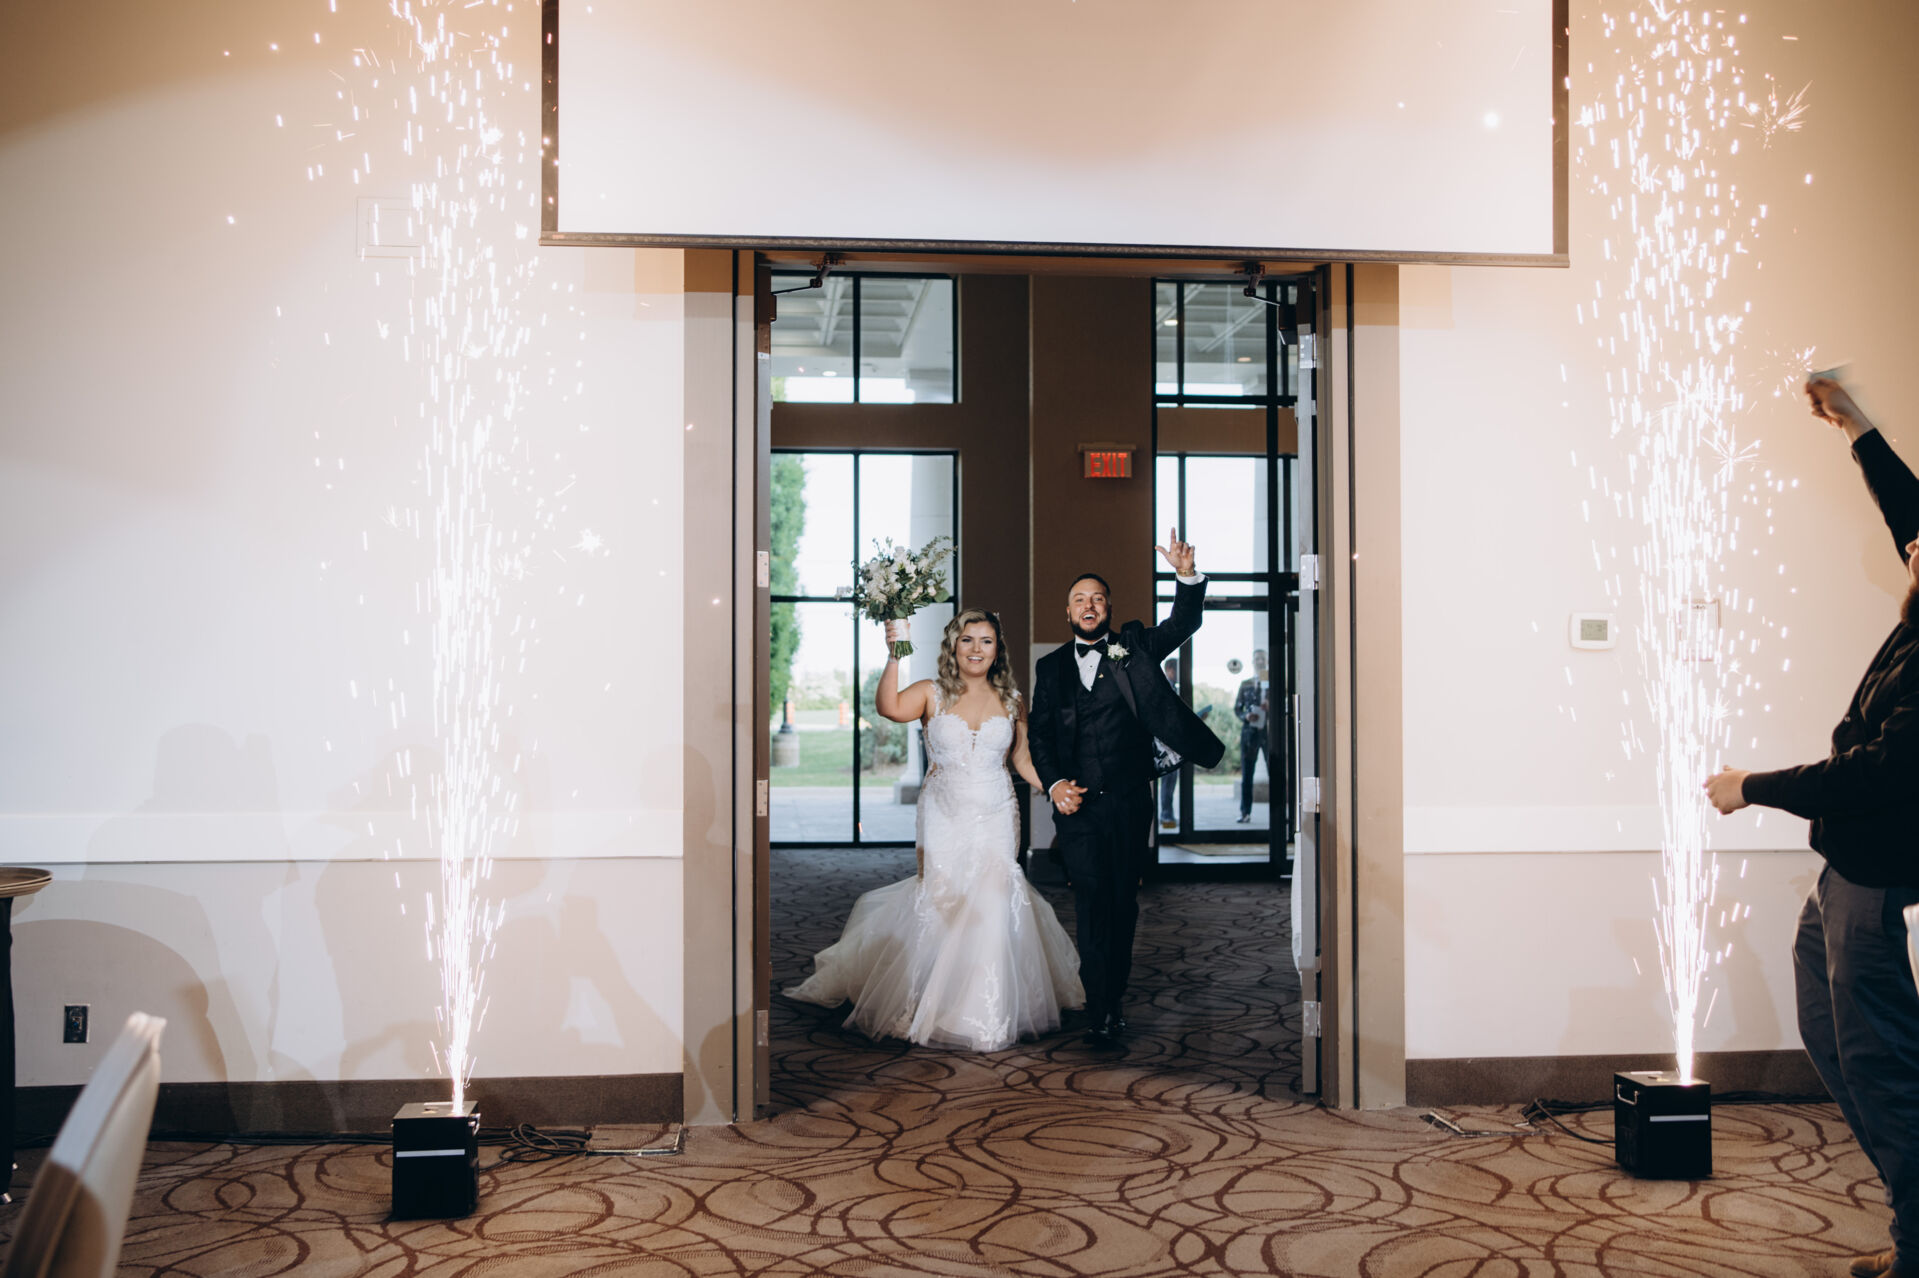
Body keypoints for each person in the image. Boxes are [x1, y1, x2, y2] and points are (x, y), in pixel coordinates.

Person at [1704, 374, 1919, 1278]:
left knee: (1881, 1065)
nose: (1913, 544)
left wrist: (1750, 785)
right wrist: (1856, 427)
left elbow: (1878, 774)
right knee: (1835, 1039)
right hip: (1844, 871)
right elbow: (1905, 508)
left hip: (1875, 877)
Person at [784, 609, 1084, 1051]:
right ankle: (933, 1000)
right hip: (944, 812)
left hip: (997, 812)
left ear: (997, 650)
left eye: (986, 641)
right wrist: (894, 655)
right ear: (953, 646)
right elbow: (888, 707)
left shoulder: (1013, 699)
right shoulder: (931, 692)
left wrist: (1054, 787)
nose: (976, 649)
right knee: (945, 899)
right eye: (967, 640)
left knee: (994, 899)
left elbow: (1021, 759)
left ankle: (984, 1009)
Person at [1030, 531, 1226, 1047]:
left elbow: (1184, 623)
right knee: (1091, 901)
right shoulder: (1050, 668)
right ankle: (1100, 1007)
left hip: (1129, 802)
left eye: (1097, 598)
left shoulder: (1133, 647)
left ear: (1108, 608)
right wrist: (1054, 784)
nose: (1088, 605)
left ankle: (1113, 996)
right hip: (1077, 809)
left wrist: (1186, 576)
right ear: (1068, 610)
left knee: (1122, 904)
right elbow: (1040, 734)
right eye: (1079, 598)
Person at [1233, 649, 1272, 824]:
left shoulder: (1273, 683)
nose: (1259, 661)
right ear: (1252, 662)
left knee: (1275, 772)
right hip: (1249, 734)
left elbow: (1284, 705)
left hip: (1269, 734)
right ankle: (1245, 813)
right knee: (1247, 775)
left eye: (1262, 659)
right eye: (1257, 659)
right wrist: (1246, 716)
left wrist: (1272, 705)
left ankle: (1278, 815)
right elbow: (1237, 709)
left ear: (1267, 661)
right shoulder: (1246, 684)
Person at [1159, 658, 1181, 829]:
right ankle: (1166, 816)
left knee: (1170, 781)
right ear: (1170, 669)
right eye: (1178, 670)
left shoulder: (1174, 687)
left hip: (1172, 741)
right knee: (1168, 781)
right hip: (1167, 743)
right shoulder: (1165, 687)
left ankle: (1168, 814)